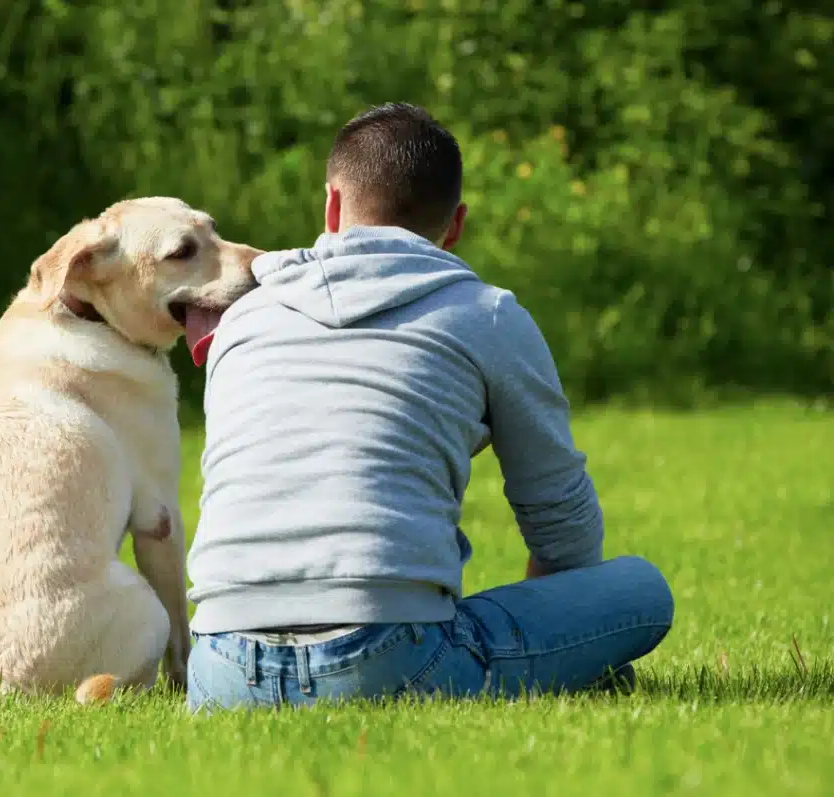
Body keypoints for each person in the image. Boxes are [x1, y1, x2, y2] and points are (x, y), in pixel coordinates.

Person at [183, 102, 674, 712]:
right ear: (457, 223)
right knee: (643, 591)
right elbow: (563, 526)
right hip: (390, 659)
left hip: (219, 669)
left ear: (332, 207)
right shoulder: (485, 315)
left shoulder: (242, 319)